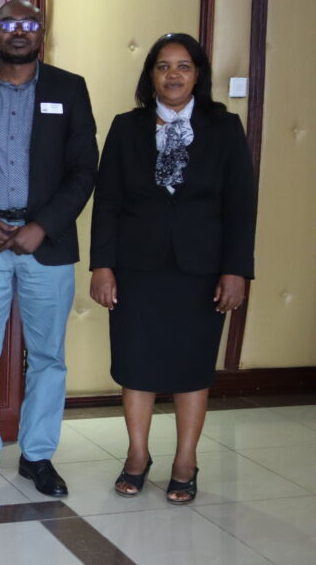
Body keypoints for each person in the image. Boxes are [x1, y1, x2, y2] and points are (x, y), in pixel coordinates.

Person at [89, 32, 255, 504]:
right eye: (164, 66)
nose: (174, 75)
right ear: (151, 76)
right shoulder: (126, 127)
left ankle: (186, 460)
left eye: (184, 66)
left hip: (201, 269)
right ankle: (137, 455)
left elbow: (242, 206)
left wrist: (236, 269)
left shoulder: (225, 128)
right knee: (136, 364)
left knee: (191, 366)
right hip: (136, 267)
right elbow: (108, 204)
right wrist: (102, 266)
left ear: (198, 75)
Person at [0, 0, 97, 497]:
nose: (19, 32)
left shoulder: (69, 89)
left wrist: (42, 225)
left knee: (48, 356)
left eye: (29, 24)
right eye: (9, 24)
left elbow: (83, 170)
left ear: (42, 34)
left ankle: (37, 457)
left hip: (45, 246)